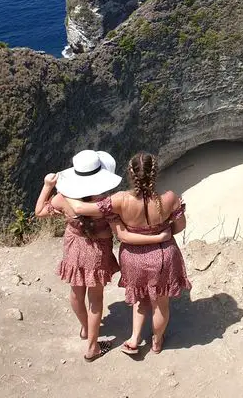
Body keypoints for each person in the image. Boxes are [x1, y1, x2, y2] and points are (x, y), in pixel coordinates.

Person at [35, 150, 173, 361]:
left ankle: (84, 329)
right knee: (96, 300)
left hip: (73, 247)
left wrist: (47, 186)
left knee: (76, 292)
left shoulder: (63, 199)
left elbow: (40, 212)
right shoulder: (107, 203)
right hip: (97, 252)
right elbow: (123, 231)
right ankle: (92, 347)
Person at [68, 152, 190, 356]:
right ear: (155, 174)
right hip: (163, 256)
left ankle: (134, 339)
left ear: (131, 174)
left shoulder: (120, 200)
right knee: (161, 303)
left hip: (133, 257)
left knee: (140, 298)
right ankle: (157, 342)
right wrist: (160, 234)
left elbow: (81, 207)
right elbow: (179, 226)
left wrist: (63, 189)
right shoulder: (169, 198)